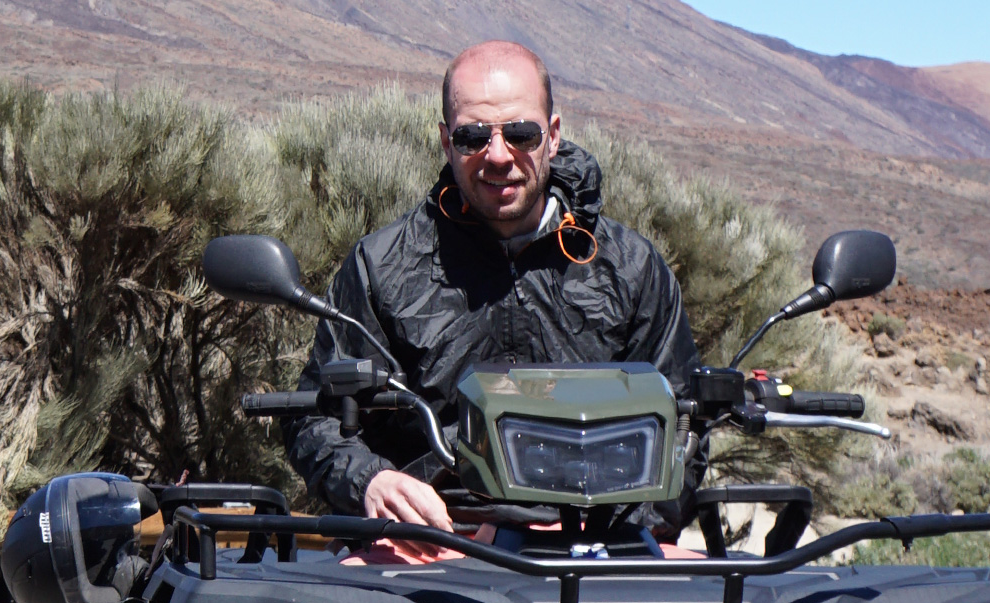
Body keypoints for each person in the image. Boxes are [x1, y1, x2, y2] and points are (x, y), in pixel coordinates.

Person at [284, 40, 701, 556]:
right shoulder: (382, 266)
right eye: (473, 136)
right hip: (431, 542)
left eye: (521, 133)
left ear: (553, 135)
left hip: (600, 546)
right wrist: (371, 482)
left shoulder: (630, 267)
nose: (498, 155)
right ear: (446, 142)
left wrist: (616, 530)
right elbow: (314, 417)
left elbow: (687, 423)